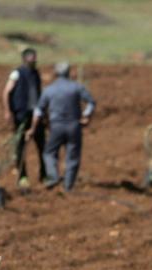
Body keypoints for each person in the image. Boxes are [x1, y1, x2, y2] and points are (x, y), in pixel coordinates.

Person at [26, 62, 96, 192]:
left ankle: (53, 177)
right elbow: (91, 102)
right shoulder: (77, 87)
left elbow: (38, 111)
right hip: (74, 126)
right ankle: (68, 186)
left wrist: (32, 129)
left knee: (49, 153)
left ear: (55, 73)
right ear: (69, 72)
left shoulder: (49, 90)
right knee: (73, 156)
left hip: (56, 126)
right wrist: (86, 116)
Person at [2, 48, 46, 188]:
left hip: (36, 115)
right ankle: (22, 176)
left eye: (34, 58)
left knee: (42, 145)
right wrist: (8, 111)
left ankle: (44, 174)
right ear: (24, 59)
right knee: (21, 147)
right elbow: (6, 92)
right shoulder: (17, 73)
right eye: (31, 58)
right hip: (21, 115)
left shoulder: (36, 74)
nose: (33, 61)